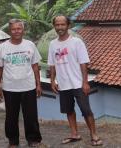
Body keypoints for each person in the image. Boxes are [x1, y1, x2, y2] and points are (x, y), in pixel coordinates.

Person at [48, 15, 103, 146]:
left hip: (78, 83)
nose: (60, 27)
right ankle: (74, 134)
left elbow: (83, 63)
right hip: (63, 84)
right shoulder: (52, 44)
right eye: (57, 25)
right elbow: (52, 64)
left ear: (68, 26)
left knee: (86, 110)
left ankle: (94, 135)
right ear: (54, 26)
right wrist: (52, 81)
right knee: (69, 110)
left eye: (62, 24)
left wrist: (85, 82)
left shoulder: (77, 42)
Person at [0, 19, 43, 147]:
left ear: (23, 30)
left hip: (28, 86)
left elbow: (35, 66)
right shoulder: (2, 47)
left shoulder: (30, 45)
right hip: (10, 88)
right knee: (11, 117)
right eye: (13, 29)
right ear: (9, 31)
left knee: (31, 116)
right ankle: (13, 141)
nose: (16, 31)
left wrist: (38, 84)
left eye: (19, 28)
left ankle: (33, 139)